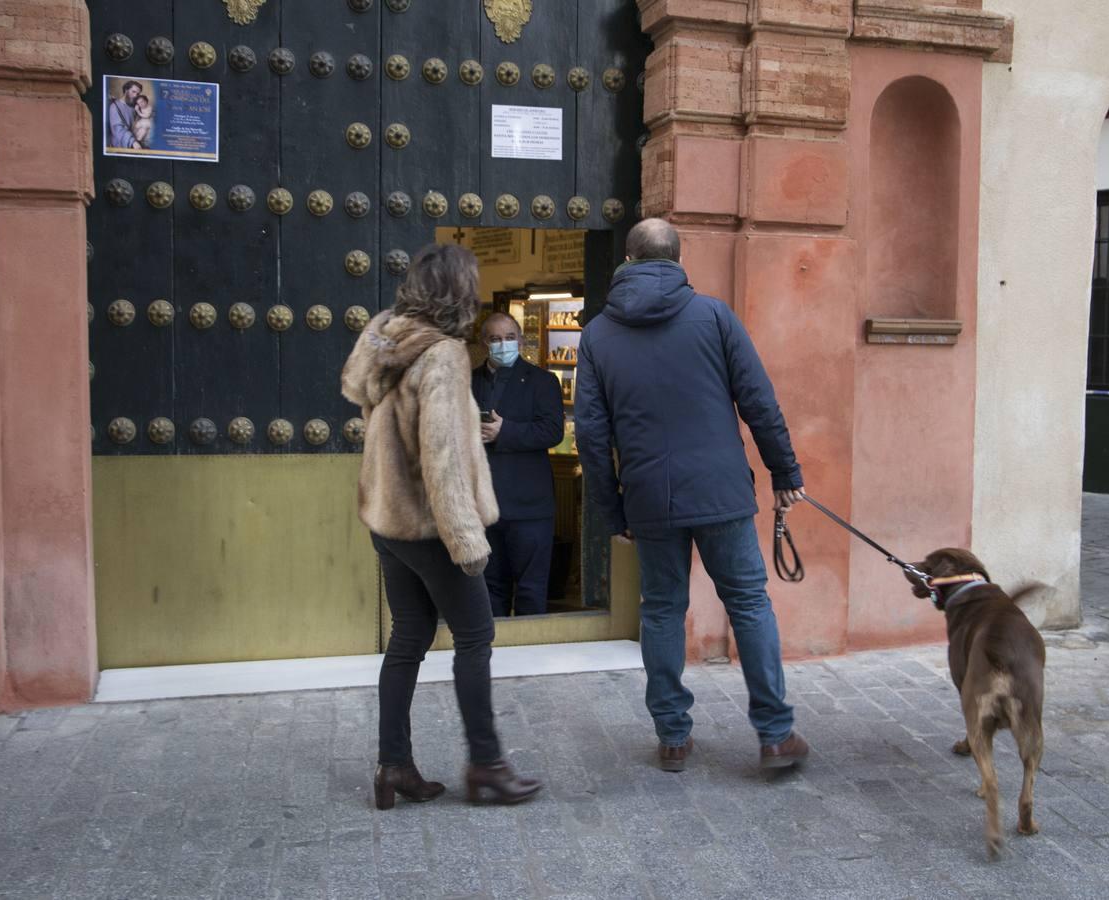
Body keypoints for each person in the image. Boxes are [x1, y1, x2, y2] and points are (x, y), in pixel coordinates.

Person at [574, 218, 811, 773]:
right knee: (750, 604)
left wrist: (612, 510)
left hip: (650, 498)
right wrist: (785, 473)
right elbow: (759, 401)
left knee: (660, 609)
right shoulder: (713, 316)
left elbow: (590, 434)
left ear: (627, 262)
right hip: (723, 490)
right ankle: (775, 735)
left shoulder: (598, 334)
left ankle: (673, 737)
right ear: (679, 262)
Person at [342, 243, 542, 809]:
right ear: (459, 292)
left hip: (389, 523)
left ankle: (394, 767)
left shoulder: (385, 343)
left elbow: (373, 415)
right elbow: (444, 457)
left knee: (408, 639)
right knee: (476, 637)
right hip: (431, 528)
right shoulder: (445, 355)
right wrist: (466, 540)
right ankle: (487, 766)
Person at [472, 312, 565, 617]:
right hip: (483, 504)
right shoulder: (467, 381)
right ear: (484, 342)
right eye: (496, 339)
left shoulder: (543, 381)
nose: (503, 344)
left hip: (530, 506)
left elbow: (552, 431)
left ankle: (529, 658)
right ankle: (491, 657)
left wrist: (505, 431)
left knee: (530, 588)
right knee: (488, 588)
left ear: (521, 340)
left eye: (510, 337)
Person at [107, 81, 142, 150]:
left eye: (138, 94)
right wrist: (133, 142)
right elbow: (118, 129)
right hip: (119, 146)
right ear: (126, 90)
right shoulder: (114, 106)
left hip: (135, 145)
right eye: (133, 92)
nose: (135, 96)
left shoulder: (134, 108)